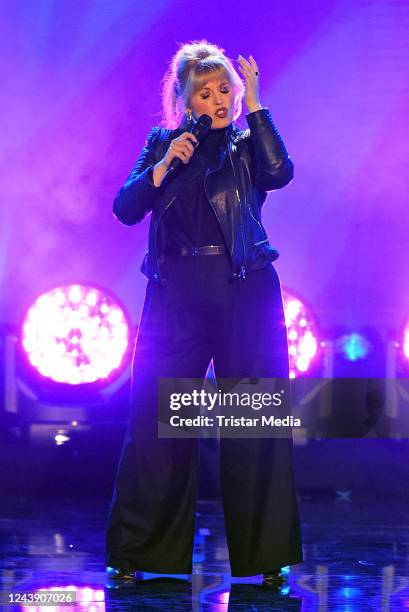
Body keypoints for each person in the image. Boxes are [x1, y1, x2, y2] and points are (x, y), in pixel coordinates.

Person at [106, 40, 303, 586]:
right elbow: (125, 209)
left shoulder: (245, 144)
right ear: (184, 99)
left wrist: (258, 106)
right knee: (159, 425)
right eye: (204, 91)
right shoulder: (162, 145)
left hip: (245, 292)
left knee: (253, 424)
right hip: (175, 297)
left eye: (225, 90)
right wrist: (165, 165)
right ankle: (139, 553)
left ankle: (266, 558)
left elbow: (279, 172)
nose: (217, 99)